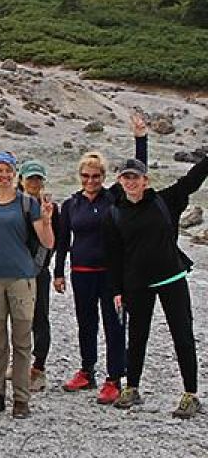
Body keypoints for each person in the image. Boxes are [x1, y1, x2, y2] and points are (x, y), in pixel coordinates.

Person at [52, 116, 148, 404]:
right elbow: (62, 241)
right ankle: (86, 370)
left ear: (104, 177)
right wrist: (58, 273)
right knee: (86, 323)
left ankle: (114, 378)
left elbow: (138, 170)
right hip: (81, 272)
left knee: (115, 325)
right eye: (86, 176)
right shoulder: (71, 205)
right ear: (79, 176)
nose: (91, 181)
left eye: (96, 176)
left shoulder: (114, 198)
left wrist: (140, 138)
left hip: (111, 275)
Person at [106, 149, 208, 417]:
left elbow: (192, 179)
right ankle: (132, 387)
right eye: (126, 177)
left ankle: (190, 394)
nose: (130, 182)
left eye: (135, 177)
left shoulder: (166, 201)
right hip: (137, 283)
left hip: (171, 278)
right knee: (137, 337)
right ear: (120, 181)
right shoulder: (117, 212)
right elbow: (115, 255)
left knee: (182, 335)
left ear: (145, 181)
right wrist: (117, 289)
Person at [0, 152, 55, 419]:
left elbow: (48, 242)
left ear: (14, 173)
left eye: (8, 171)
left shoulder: (28, 203)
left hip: (21, 278)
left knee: (21, 340)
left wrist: (48, 220)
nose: (3, 175)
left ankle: (21, 398)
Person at [16, 160, 55, 394]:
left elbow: (53, 241)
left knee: (39, 318)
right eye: (30, 178)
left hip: (38, 271)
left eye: (38, 179)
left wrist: (39, 266)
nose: (34, 183)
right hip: (14, 271)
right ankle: (19, 363)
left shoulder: (49, 207)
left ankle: (38, 368)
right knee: (18, 318)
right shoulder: (13, 204)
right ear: (21, 180)